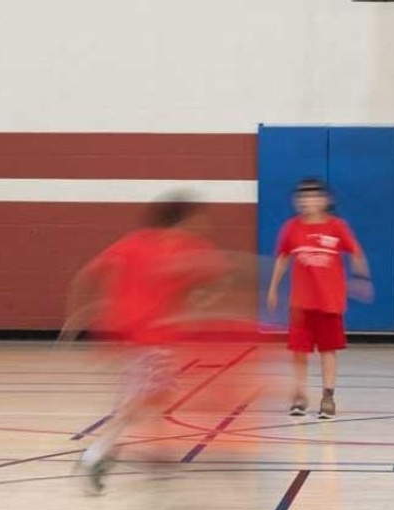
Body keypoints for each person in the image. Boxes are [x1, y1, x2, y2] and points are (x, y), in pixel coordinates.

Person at [65, 195, 236, 493]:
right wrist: (200, 300)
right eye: (198, 220)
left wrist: (77, 317)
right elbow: (222, 277)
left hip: (140, 338)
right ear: (184, 221)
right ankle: (96, 455)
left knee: (154, 397)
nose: (204, 226)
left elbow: (85, 275)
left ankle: (153, 455)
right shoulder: (181, 245)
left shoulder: (138, 242)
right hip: (146, 338)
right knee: (134, 404)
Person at [266, 178, 371, 419]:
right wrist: (273, 287)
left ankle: (328, 396)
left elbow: (356, 253)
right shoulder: (291, 228)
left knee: (328, 351)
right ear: (297, 201)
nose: (308, 201)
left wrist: (361, 279)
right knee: (299, 352)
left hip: (329, 303)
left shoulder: (337, 227)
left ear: (325, 200)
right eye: (303, 197)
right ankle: (300, 394)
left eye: (313, 197)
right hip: (300, 305)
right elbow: (283, 258)